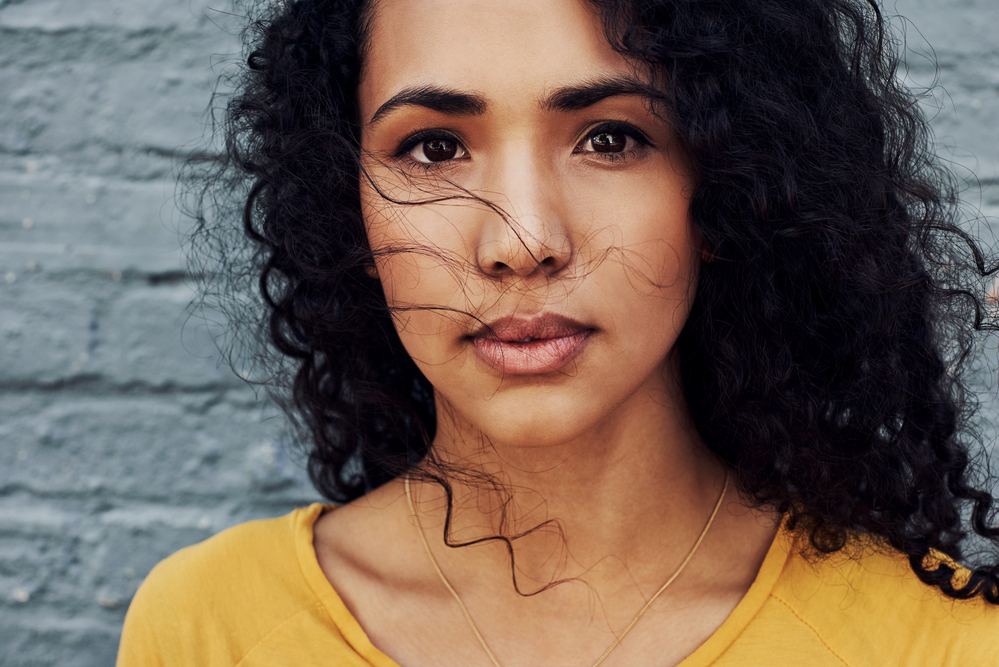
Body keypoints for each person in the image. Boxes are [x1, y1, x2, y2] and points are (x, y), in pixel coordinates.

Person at [117, 0, 999, 665]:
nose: (522, 241)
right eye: (432, 148)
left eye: (609, 139)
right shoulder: (212, 625)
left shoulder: (940, 643)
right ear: (346, 214)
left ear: (726, 189)